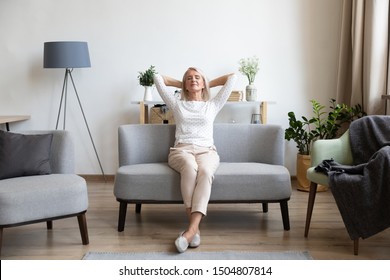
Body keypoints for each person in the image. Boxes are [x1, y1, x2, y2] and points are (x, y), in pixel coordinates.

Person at [153, 67, 237, 253]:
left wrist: (206, 82)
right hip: (181, 151)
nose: (193, 80)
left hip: (207, 151)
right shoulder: (177, 104)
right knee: (190, 168)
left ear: (203, 82)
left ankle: (191, 231)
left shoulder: (212, 105)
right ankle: (194, 229)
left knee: (206, 172)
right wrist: (182, 83)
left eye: (197, 77)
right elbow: (157, 78)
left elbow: (232, 78)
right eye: (189, 78)